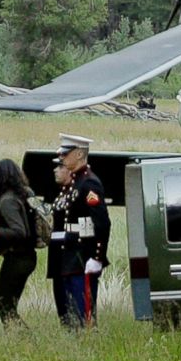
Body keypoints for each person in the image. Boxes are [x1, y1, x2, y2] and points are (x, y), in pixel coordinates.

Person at [47, 133, 110, 328]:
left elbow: (102, 223)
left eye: (66, 154)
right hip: (69, 254)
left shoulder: (89, 183)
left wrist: (97, 257)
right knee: (69, 309)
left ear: (80, 154)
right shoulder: (75, 182)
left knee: (83, 312)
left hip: (82, 255)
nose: (62, 159)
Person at [0, 158, 39, 327]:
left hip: (16, 257)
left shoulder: (7, 201)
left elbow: (19, 231)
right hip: (28, 256)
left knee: (6, 309)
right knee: (10, 307)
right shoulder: (26, 194)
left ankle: (26, 341)